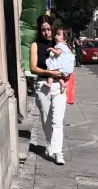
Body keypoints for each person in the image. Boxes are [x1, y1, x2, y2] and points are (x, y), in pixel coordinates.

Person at [29, 14, 67, 165]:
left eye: (49, 29)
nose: (47, 33)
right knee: (46, 119)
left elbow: (67, 58)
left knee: (57, 120)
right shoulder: (35, 45)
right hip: (42, 85)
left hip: (59, 85)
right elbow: (33, 68)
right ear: (39, 30)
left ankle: (58, 152)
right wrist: (49, 72)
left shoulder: (58, 43)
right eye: (43, 30)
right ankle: (50, 144)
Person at [45, 28, 75, 93]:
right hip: (66, 67)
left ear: (65, 39)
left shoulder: (59, 45)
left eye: (58, 35)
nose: (56, 36)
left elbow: (58, 53)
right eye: (56, 34)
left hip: (60, 66)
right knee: (59, 76)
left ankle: (49, 83)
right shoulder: (66, 46)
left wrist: (52, 49)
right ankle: (63, 84)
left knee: (51, 73)